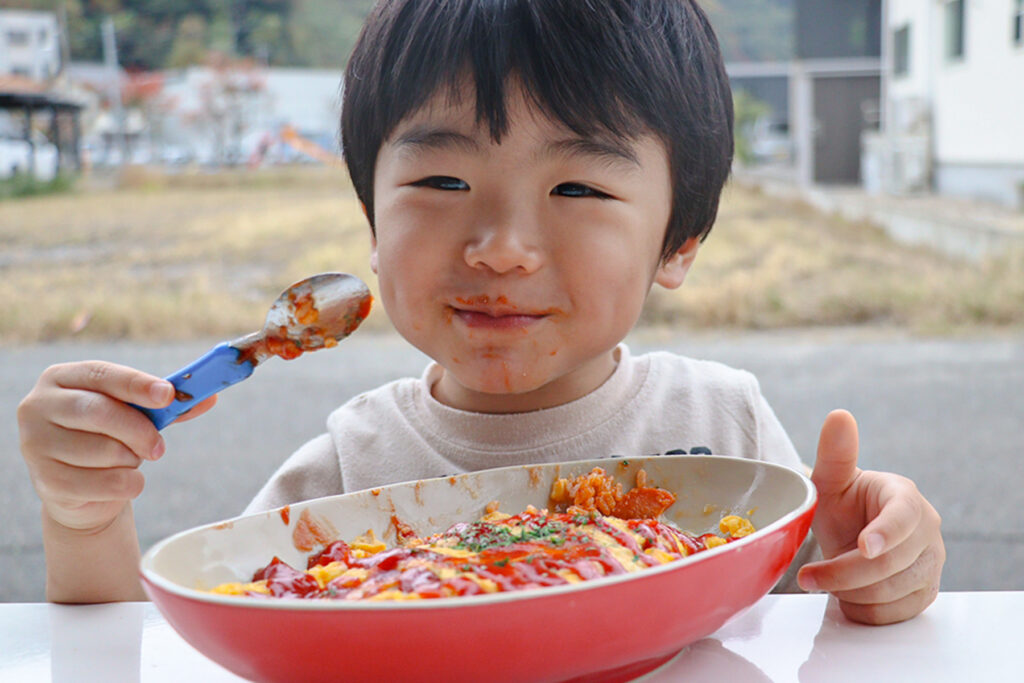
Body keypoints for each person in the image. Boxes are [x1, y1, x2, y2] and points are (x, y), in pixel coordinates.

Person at [18, 0, 943, 624]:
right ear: (371, 225)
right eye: (441, 178)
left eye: (578, 185)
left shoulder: (724, 427)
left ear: (679, 241)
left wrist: (871, 568)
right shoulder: (347, 469)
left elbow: (810, 628)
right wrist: (85, 517)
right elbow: (140, 645)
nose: (501, 245)